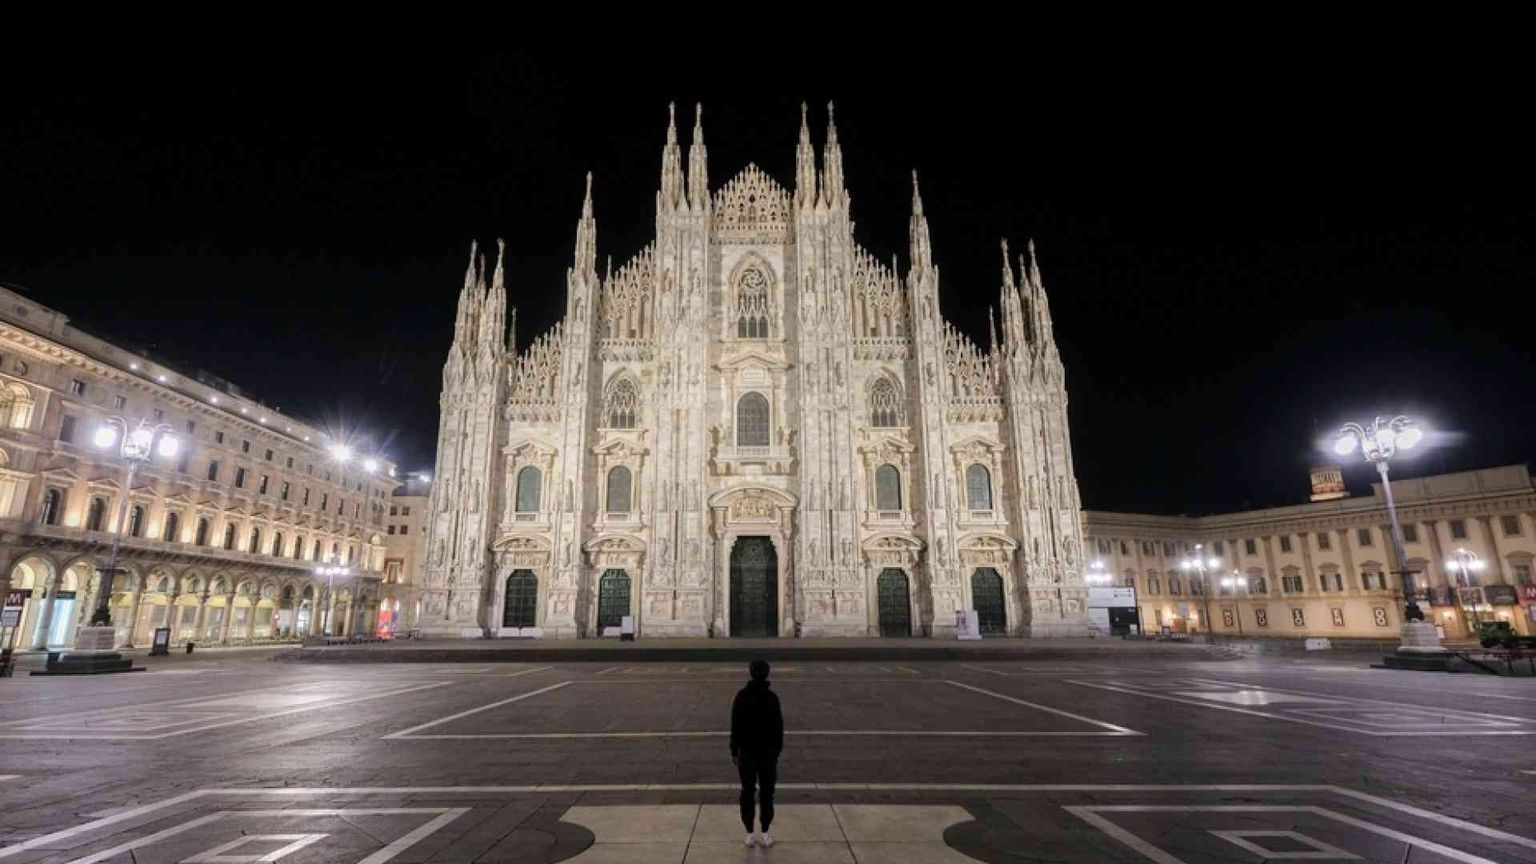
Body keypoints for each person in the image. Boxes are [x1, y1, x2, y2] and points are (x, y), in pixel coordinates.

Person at [731, 658, 783, 848]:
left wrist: (734, 750)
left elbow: (735, 725)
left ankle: (749, 833)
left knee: (747, 791)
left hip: (747, 752)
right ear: (767, 673)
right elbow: (778, 728)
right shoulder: (772, 698)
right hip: (767, 753)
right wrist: (776, 752)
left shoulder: (741, 696)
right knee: (767, 794)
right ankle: (766, 832)